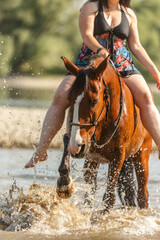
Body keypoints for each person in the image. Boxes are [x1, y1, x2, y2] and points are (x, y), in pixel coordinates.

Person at [25, 0, 160, 168]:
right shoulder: (91, 7)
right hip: (88, 64)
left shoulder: (129, 13)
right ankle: (41, 150)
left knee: (146, 96)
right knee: (60, 96)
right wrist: (101, 51)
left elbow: (136, 46)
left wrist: (155, 72)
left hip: (121, 64)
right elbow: (87, 35)